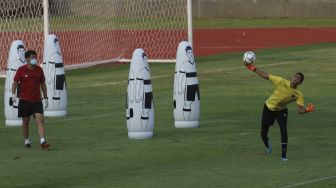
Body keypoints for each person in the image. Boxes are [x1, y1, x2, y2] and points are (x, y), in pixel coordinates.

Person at [244, 62, 315, 161]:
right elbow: (266, 75)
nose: (296, 78)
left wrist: (307, 110)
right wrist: (252, 67)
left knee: (283, 129)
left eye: (298, 78)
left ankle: (284, 155)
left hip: (281, 111)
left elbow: (300, 110)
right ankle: (267, 145)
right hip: (269, 107)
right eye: (295, 76)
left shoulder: (298, 94)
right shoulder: (281, 81)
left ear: (300, 83)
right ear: (293, 77)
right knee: (263, 132)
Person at [11, 50, 50, 149]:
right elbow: (15, 82)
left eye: (35, 57)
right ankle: (27, 140)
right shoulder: (21, 70)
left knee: (40, 120)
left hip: (37, 100)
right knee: (26, 121)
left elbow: (43, 84)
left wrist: (45, 97)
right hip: (25, 101)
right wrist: (13, 94)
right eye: (32, 57)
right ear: (27, 58)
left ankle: (42, 141)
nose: (34, 59)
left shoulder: (39, 70)